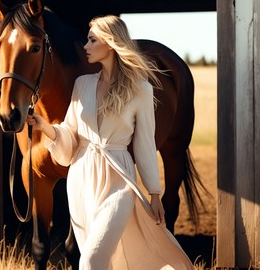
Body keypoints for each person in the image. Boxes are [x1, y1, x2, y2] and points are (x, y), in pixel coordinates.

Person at [27, 15, 193, 270]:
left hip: (119, 181)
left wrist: (155, 193)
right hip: (82, 183)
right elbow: (70, 138)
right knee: (104, 260)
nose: (85, 46)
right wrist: (45, 127)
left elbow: (145, 145)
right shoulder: (82, 85)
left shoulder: (141, 89)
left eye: (92, 40)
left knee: (91, 261)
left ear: (112, 44)